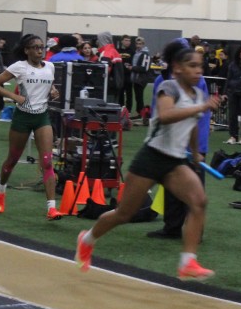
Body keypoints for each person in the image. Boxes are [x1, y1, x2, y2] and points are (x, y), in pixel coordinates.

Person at [75, 41, 221, 279]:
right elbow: (165, 116)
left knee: (199, 202)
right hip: (152, 157)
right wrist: (202, 107)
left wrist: (195, 153)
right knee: (124, 213)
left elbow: (193, 125)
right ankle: (87, 239)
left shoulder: (197, 95)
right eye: (192, 66)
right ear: (178, 68)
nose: (198, 71)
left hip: (175, 162)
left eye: (200, 66)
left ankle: (188, 262)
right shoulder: (169, 87)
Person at [0, 33, 63, 221]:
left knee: (47, 161)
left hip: (42, 118)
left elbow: (48, 85)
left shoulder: (50, 67)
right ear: (26, 50)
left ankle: (52, 208)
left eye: (42, 47)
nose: (40, 51)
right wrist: (15, 97)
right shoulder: (19, 67)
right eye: (35, 47)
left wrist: (53, 90)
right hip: (22, 117)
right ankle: (1, 189)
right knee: (12, 160)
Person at [146, 37, 214, 240]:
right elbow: (157, 113)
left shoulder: (196, 80)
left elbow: (197, 116)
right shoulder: (161, 81)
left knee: (194, 189)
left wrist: (196, 149)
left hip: (192, 141)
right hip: (169, 143)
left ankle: (195, 232)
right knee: (171, 184)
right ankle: (172, 227)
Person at [95, 31, 123, 103]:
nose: (98, 42)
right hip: (116, 85)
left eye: (99, 39)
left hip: (108, 87)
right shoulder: (115, 51)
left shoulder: (106, 53)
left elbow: (103, 71)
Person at [130, 37, 151, 119]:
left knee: (139, 97)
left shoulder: (145, 54)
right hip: (136, 78)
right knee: (137, 97)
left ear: (143, 44)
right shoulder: (136, 53)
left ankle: (141, 114)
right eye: (137, 44)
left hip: (141, 79)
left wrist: (132, 68)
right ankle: (139, 113)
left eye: (140, 44)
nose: (138, 45)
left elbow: (144, 68)